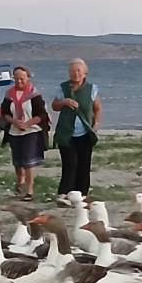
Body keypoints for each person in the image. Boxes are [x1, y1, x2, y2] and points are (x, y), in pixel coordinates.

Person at [51, 58, 102, 205]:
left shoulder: (92, 89)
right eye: (72, 71)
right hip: (66, 133)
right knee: (69, 164)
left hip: (85, 133)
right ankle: (64, 194)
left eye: (78, 70)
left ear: (85, 72)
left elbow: (97, 109)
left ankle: (81, 195)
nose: (75, 73)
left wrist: (96, 125)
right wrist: (64, 102)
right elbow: (54, 106)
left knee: (84, 164)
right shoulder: (63, 88)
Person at [0, 66, 50, 202]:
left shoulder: (34, 94)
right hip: (14, 131)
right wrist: (14, 121)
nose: (19, 81)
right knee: (18, 162)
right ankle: (20, 181)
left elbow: (42, 114)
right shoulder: (9, 94)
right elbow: (4, 113)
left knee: (28, 161)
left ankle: (29, 190)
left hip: (31, 131)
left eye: (22, 78)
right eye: (16, 78)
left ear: (28, 78)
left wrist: (27, 124)